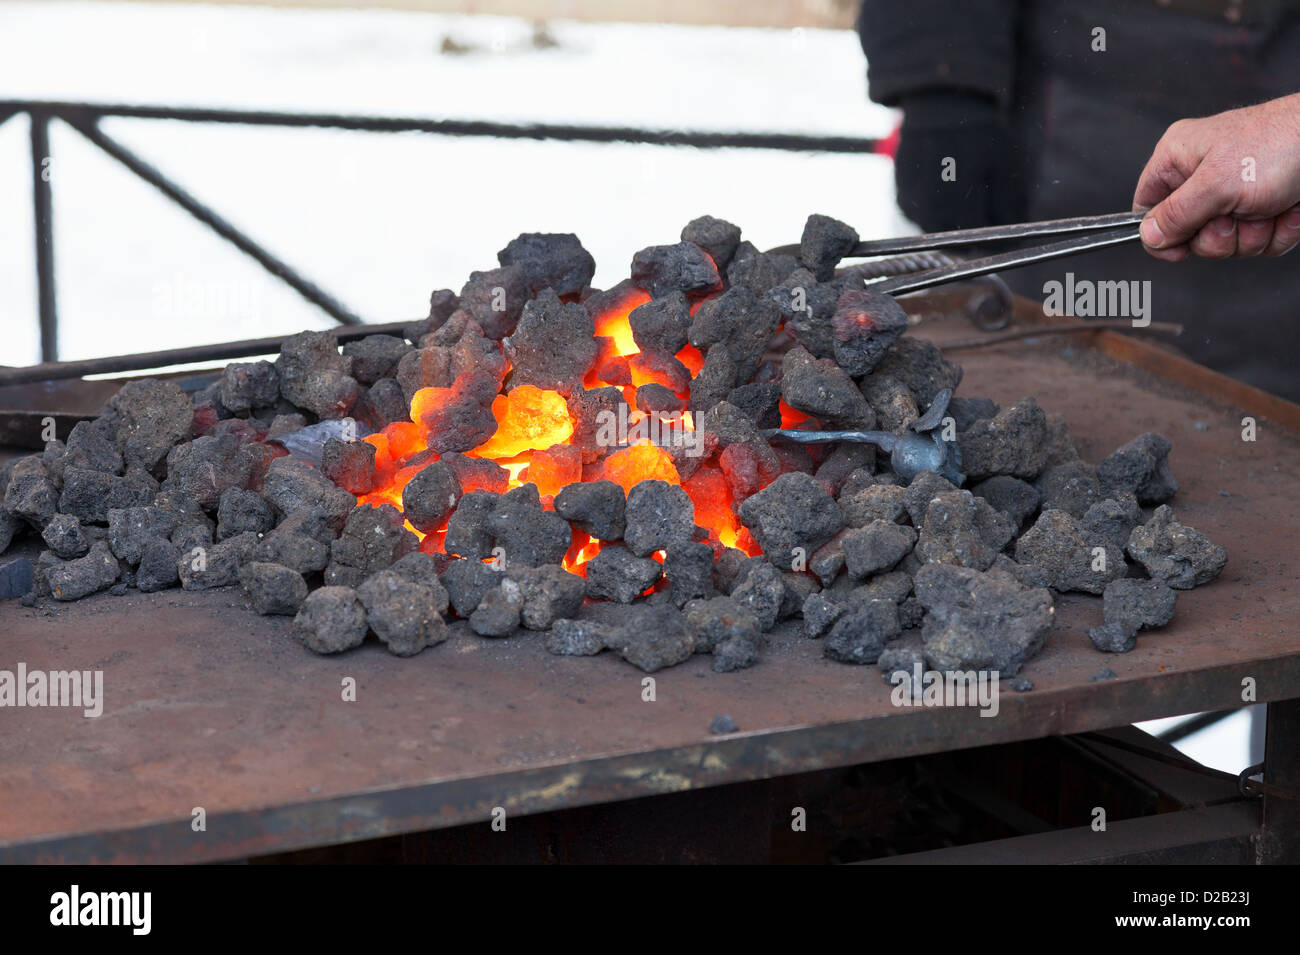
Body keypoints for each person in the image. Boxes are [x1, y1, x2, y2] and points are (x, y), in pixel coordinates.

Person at [858, 1, 1300, 400]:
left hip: (1284, 81)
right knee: (1037, 393)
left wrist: (1291, 126)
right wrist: (942, 77)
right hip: (1066, 93)